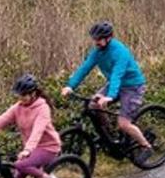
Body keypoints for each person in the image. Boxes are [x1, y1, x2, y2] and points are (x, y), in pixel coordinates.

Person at [60, 21, 154, 162]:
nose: (96, 42)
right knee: (93, 106)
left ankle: (146, 147)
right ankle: (110, 137)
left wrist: (110, 96)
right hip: (115, 85)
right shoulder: (97, 52)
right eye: (94, 39)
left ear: (108, 38)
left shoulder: (120, 51)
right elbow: (84, 68)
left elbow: (117, 74)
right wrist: (70, 86)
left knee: (123, 123)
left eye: (99, 39)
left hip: (132, 86)